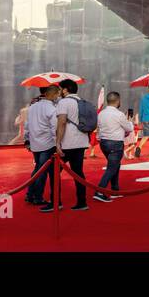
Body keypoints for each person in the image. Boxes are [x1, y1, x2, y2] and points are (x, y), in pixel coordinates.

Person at [45, 79, 89, 212]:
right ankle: (82, 202)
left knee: (53, 170)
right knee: (78, 172)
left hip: (68, 143)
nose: (59, 92)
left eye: (60, 89)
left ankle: (56, 202)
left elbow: (62, 122)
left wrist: (58, 143)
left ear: (65, 90)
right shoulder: (81, 102)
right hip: (81, 141)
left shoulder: (64, 102)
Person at [94, 92, 134, 201]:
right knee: (112, 168)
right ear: (118, 101)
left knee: (115, 165)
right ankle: (99, 191)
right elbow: (129, 128)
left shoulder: (101, 113)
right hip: (115, 144)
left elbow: (99, 128)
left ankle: (114, 190)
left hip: (104, 143)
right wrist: (130, 121)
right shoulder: (119, 114)